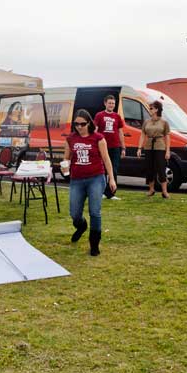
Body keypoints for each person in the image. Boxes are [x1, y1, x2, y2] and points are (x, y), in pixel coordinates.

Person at [63, 109, 117, 256]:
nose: (79, 127)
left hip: (95, 178)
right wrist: (64, 166)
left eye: (82, 124)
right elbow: (66, 158)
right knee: (74, 212)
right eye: (76, 124)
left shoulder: (98, 138)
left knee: (95, 211)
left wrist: (111, 178)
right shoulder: (70, 139)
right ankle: (81, 226)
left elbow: (106, 159)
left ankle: (94, 244)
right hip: (77, 179)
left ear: (89, 123)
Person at [137, 100, 171, 198]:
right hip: (148, 147)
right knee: (149, 168)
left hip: (160, 146)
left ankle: (164, 191)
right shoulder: (147, 122)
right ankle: (151, 189)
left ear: (156, 109)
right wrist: (139, 148)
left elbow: (167, 136)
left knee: (161, 168)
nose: (149, 110)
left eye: (151, 108)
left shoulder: (164, 122)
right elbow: (143, 134)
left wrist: (167, 150)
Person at [94, 95, 125, 200]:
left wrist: (123, 147)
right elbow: (95, 130)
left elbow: (120, 132)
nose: (111, 105)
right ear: (105, 103)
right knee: (102, 170)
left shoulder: (117, 117)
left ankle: (111, 193)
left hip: (115, 147)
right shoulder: (99, 115)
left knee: (114, 170)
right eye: (109, 103)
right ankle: (101, 192)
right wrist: (94, 144)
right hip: (102, 147)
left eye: (113, 103)